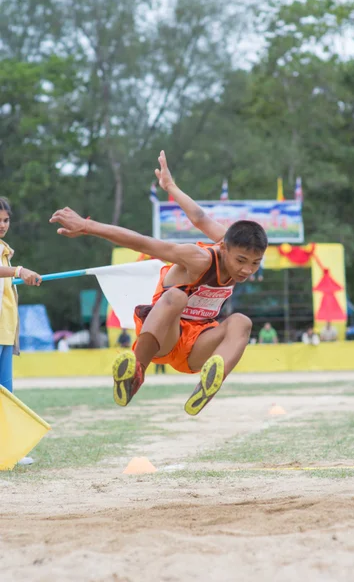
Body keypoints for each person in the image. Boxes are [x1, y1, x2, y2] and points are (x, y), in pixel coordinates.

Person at [50, 150, 268, 416]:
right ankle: (135, 373)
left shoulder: (233, 243)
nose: (246, 270)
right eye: (242, 261)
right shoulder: (199, 259)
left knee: (242, 322)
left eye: (255, 263)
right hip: (163, 335)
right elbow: (143, 242)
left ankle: (209, 384)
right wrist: (87, 226)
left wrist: (171, 186)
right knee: (177, 297)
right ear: (224, 249)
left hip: (197, 344)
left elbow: (199, 217)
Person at [0, 197, 42, 465]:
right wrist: (18, 270)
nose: (3, 225)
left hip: (4, 331)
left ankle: (9, 450)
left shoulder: (4, 249)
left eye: (5, 220)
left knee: (6, 394)